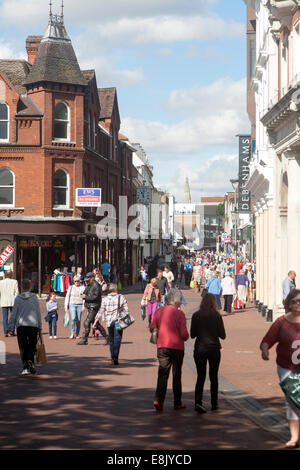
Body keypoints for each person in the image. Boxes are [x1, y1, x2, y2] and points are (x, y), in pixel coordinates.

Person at [260, 288, 300, 448]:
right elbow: (268, 339)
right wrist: (264, 349)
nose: (298, 304)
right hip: (286, 368)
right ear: (289, 304)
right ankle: (294, 437)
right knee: (292, 401)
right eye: (295, 301)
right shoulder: (281, 322)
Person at [150, 289, 189, 411]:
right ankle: (177, 402)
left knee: (163, 373)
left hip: (162, 346)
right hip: (177, 347)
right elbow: (184, 334)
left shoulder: (159, 312)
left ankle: (158, 399)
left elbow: (152, 328)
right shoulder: (180, 314)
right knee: (176, 374)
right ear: (176, 300)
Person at [191, 293, 226, 413]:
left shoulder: (196, 315)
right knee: (213, 377)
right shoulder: (216, 316)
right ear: (213, 302)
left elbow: (192, 334)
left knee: (200, 376)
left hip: (200, 348)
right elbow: (223, 335)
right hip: (214, 349)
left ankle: (198, 402)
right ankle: (214, 403)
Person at [7, 279, 42, 375]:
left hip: (21, 325)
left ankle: (25, 367)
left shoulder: (18, 298)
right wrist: (40, 325)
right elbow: (38, 312)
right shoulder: (34, 297)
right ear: (30, 287)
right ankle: (31, 362)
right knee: (32, 345)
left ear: (21, 287)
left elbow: (14, 313)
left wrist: (11, 327)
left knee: (22, 347)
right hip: (33, 325)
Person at [93, 283, 129, 366]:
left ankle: (112, 357)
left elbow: (100, 311)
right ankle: (116, 356)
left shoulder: (105, 299)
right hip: (118, 322)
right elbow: (126, 310)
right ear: (116, 290)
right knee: (118, 339)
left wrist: (95, 322)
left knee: (111, 340)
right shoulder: (121, 297)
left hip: (109, 322)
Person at [77, 272, 108, 345]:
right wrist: (83, 295)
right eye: (87, 278)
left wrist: (86, 297)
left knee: (87, 322)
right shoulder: (89, 285)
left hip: (94, 306)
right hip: (90, 306)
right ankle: (107, 337)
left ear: (92, 278)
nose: (87, 280)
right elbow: (85, 293)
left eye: (88, 278)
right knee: (96, 324)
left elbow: (95, 297)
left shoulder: (96, 285)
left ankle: (84, 339)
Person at [65, 275, 85, 339]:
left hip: (79, 304)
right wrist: (66, 305)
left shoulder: (82, 288)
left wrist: (83, 306)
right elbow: (67, 297)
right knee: (73, 318)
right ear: (73, 281)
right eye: (75, 281)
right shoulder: (70, 287)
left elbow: (84, 298)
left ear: (80, 281)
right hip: (72, 304)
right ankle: (72, 333)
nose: (77, 282)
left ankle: (77, 333)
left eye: (78, 281)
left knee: (78, 320)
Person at [0, 271, 19, 336]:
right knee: (13, 317)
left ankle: (5, 331)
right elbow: (17, 292)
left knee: (5, 317)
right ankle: (11, 330)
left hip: (3, 301)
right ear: (11, 275)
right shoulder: (15, 281)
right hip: (12, 301)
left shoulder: (1, 282)